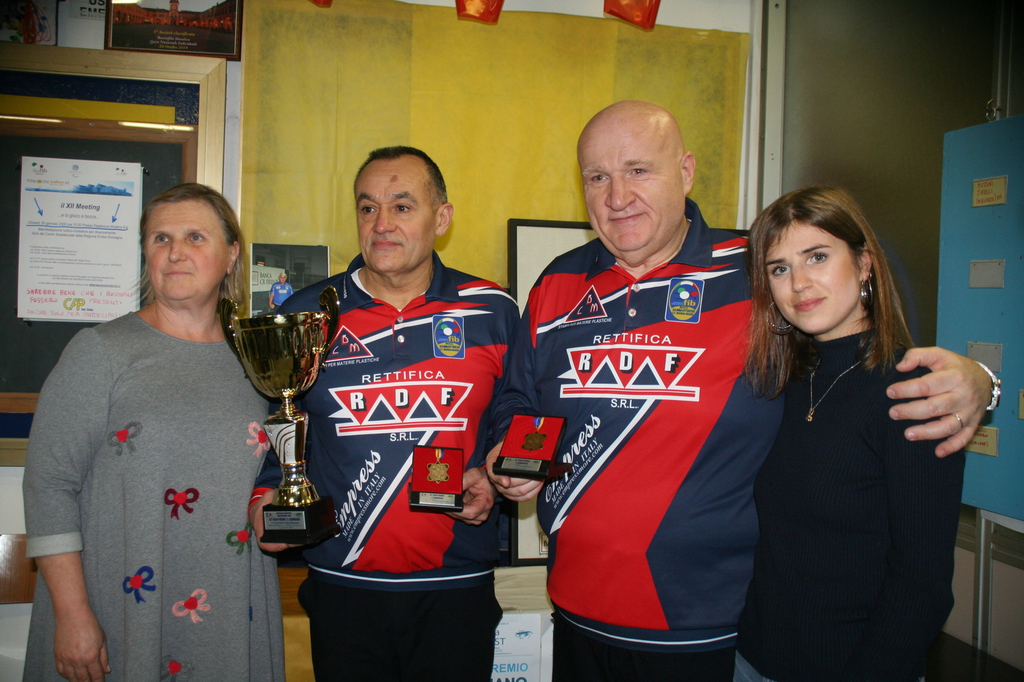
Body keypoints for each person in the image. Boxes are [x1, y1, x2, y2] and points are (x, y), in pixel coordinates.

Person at [487, 101, 993, 681]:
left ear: (685, 171)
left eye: (638, 170)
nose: (617, 196)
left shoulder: (756, 272)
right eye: (597, 177)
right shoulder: (557, 281)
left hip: (712, 625)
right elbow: (520, 398)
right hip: (577, 608)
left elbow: (850, 354)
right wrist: (511, 451)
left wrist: (980, 379)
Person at [249, 146, 518, 681]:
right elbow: (277, 430)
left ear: (441, 218)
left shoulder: (492, 309)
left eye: (402, 206)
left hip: (455, 588)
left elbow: (513, 417)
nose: (381, 224)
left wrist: (492, 477)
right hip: (342, 588)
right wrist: (266, 503)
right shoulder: (307, 313)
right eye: (367, 207)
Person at [22, 183, 285, 681]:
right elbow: (49, 485)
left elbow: (269, 476)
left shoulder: (258, 360)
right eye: (161, 238)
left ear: (231, 254)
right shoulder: (100, 351)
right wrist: (72, 613)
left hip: (231, 605)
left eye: (194, 237)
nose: (175, 252)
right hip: (120, 604)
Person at [732, 186, 966, 681]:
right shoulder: (782, 381)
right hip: (754, 658)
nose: (799, 283)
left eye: (817, 256)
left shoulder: (913, 393)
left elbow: (922, 583)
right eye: (779, 268)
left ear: (864, 265)